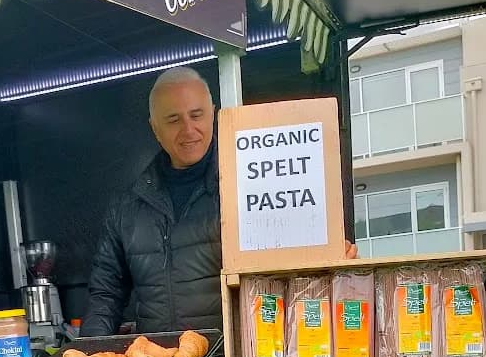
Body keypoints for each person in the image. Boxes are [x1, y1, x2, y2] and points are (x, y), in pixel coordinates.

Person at [81, 66, 356, 337]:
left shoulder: (249, 187)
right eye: (174, 119)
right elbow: (106, 293)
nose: (189, 129)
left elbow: (288, 264)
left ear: (213, 114)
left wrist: (328, 256)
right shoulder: (127, 208)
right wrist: (89, 354)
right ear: (155, 128)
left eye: (196, 115)